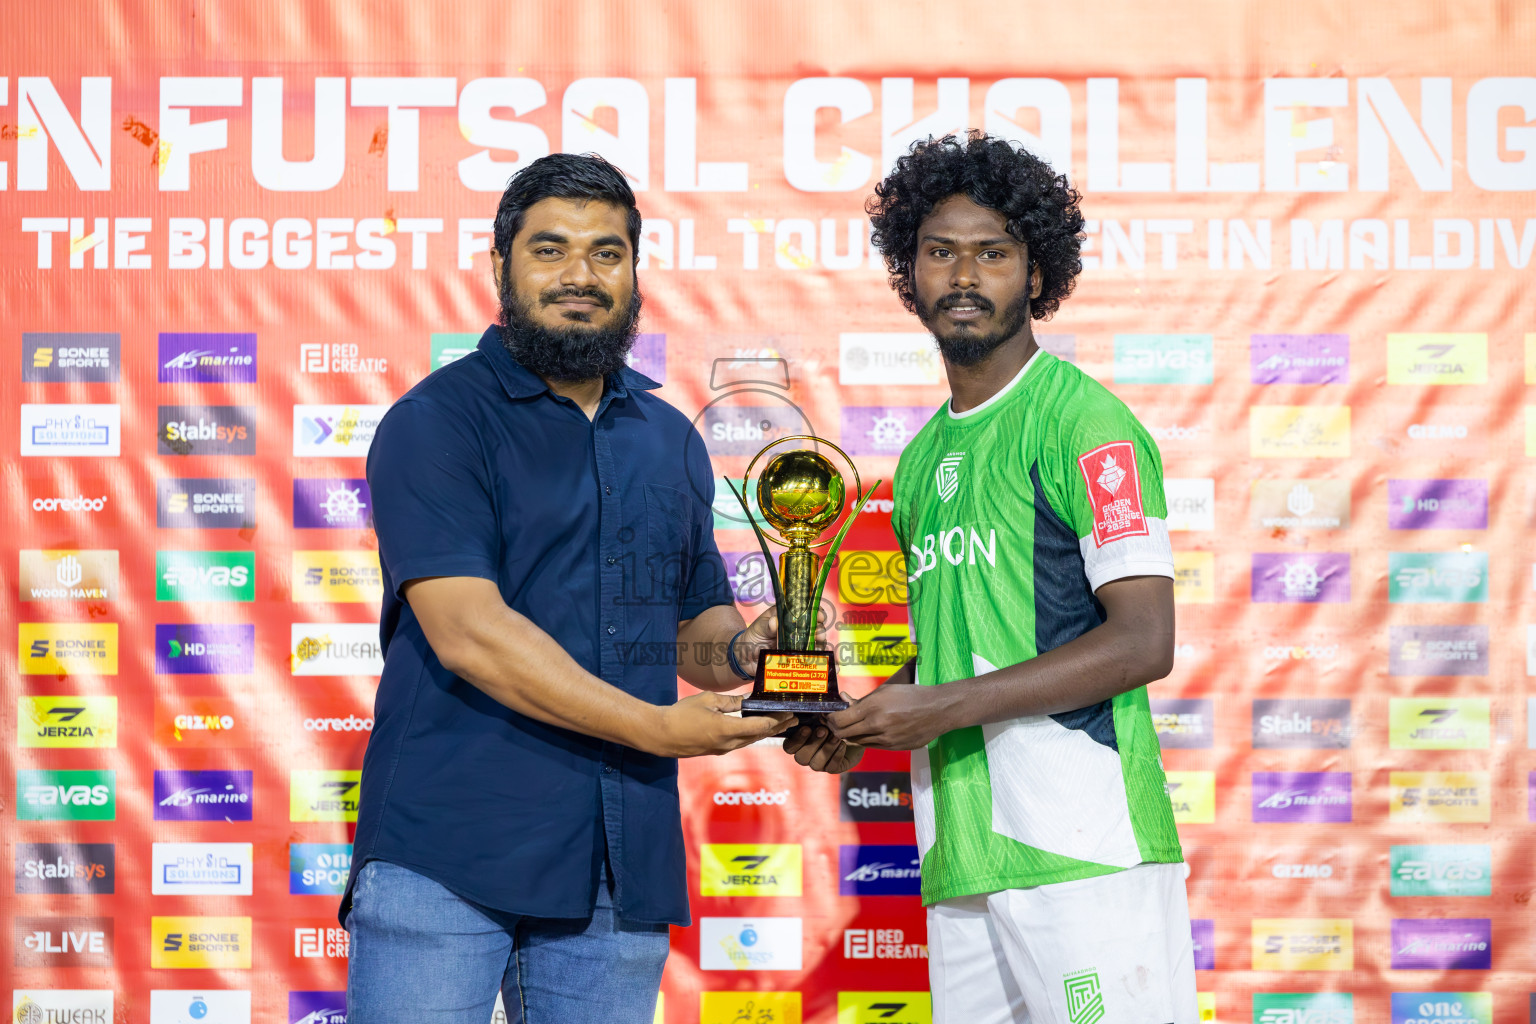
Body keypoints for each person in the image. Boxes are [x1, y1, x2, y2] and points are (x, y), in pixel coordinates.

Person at [342, 152, 793, 1024]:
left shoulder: (668, 436)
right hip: (450, 849)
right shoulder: (436, 422)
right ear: (500, 265)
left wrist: (749, 650)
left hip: (617, 862)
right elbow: (469, 632)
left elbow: (691, 634)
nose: (579, 275)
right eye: (549, 249)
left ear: (634, 271)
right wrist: (658, 729)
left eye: (606, 253)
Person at [786, 132, 1198, 1024]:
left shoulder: (1085, 423)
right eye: (940, 252)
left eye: (994, 253)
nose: (964, 275)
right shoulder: (923, 456)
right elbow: (959, 648)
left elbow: (1143, 641)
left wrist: (936, 709)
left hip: (1082, 850)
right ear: (909, 272)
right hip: (962, 851)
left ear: (1037, 272)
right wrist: (864, 722)